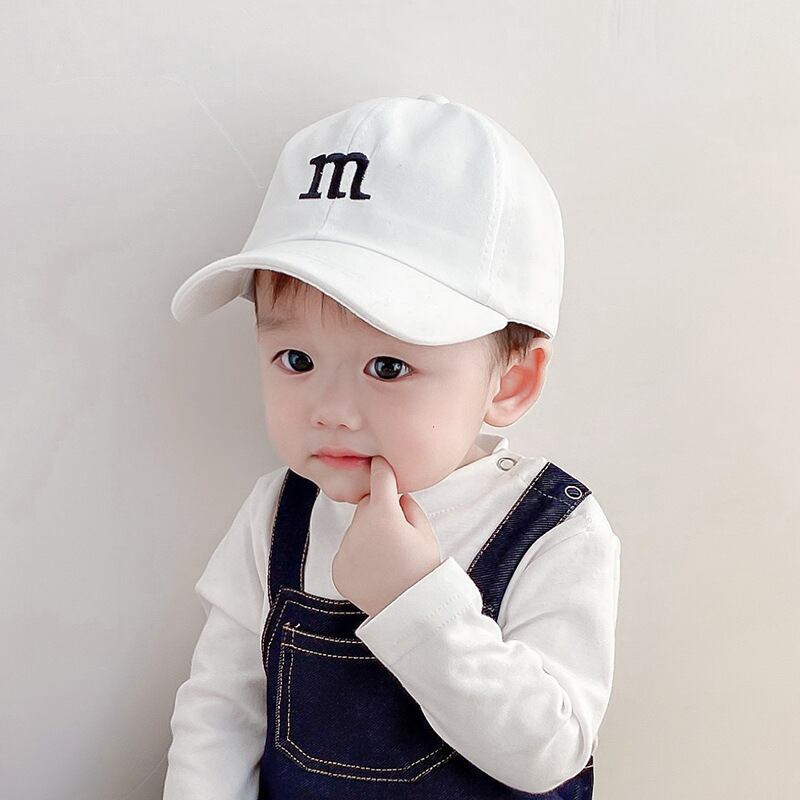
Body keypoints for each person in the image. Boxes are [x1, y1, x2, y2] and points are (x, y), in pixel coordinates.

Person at [162, 94, 621, 800]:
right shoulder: (277, 514)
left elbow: (550, 752)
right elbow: (221, 713)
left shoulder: (554, 531)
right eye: (295, 359)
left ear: (510, 382)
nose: (331, 410)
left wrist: (415, 600)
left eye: (388, 367)